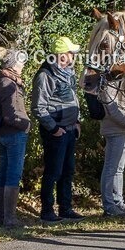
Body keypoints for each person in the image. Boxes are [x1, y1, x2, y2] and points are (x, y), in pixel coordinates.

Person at [32, 36, 84, 223]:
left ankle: (65, 208)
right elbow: (39, 107)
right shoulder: (45, 75)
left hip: (70, 129)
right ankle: (47, 211)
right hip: (56, 131)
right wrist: (54, 129)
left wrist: (77, 121)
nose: (74, 56)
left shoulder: (68, 72)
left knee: (68, 171)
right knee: (53, 172)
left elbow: (73, 99)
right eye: (71, 53)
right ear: (62, 55)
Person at [0, 48, 30, 227]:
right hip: (14, 134)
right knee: (13, 175)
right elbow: (11, 115)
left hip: (2, 134)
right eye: (20, 64)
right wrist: (27, 125)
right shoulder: (9, 84)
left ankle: (0, 218)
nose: (22, 67)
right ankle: (10, 219)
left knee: (4, 174)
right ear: (13, 65)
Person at [100, 83, 125, 217]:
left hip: (123, 129)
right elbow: (112, 110)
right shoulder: (108, 85)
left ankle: (118, 201)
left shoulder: (121, 81)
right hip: (114, 129)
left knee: (119, 169)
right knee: (111, 168)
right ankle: (109, 206)